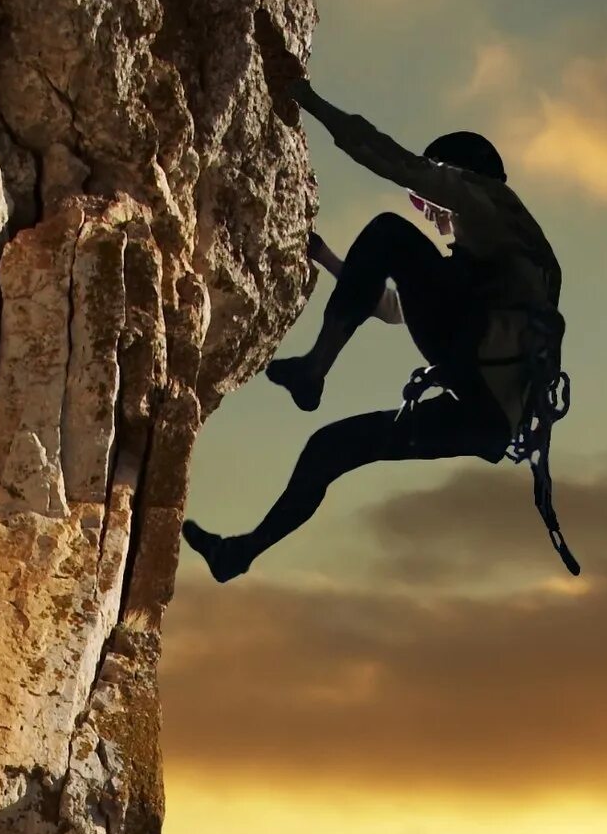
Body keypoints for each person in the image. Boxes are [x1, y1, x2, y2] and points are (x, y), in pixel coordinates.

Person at [181, 69, 566, 582]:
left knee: (388, 233)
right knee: (331, 447)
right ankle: (239, 554)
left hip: (472, 378)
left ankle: (315, 368)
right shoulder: (508, 259)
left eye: (427, 197)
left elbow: (383, 155)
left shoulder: (484, 200)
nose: (427, 210)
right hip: (486, 419)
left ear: (454, 175)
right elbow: (392, 307)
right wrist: (328, 259)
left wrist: (305, 98)